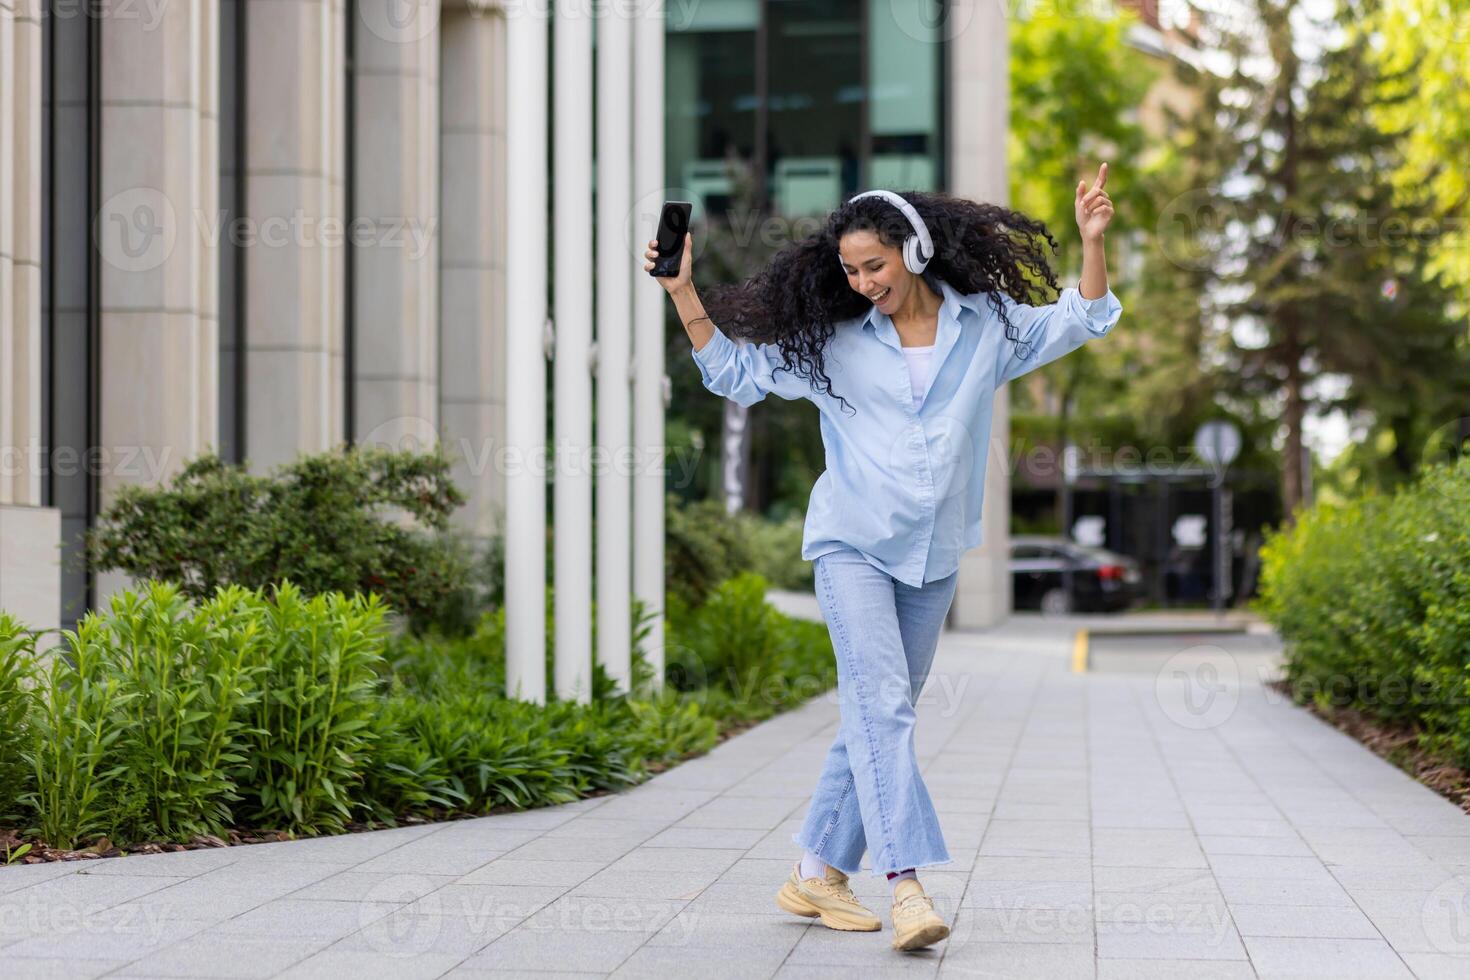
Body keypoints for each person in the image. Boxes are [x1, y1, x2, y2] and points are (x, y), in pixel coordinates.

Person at [644, 166, 1120, 952]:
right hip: (852, 544)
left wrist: (1094, 244)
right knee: (884, 710)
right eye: (851, 271)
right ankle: (906, 886)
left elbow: (1085, 317)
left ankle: (816, 872)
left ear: (916, 250)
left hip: (932, 557)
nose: (864, 283)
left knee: (873, 713)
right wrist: (682, 293)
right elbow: (736, 373)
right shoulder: (833, 343)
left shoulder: (987, 328)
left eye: (876, 266)